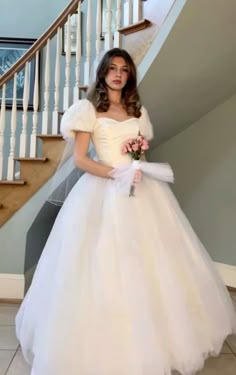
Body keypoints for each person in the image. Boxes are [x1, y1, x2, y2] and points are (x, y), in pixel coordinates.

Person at [16, 48, 236, 375]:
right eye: (112, 68)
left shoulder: (138, 111)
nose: (118, 74)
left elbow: (138, 157)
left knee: (153, 263)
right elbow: (81, 160)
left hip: (143, 191)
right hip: (101, 191)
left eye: (124, 69)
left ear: (129, 75)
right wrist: (116, 174)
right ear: (103, 73)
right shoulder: (87, 110)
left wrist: (134, 170)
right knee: (102, 265)